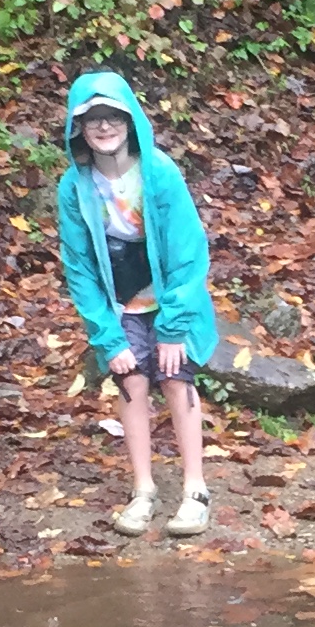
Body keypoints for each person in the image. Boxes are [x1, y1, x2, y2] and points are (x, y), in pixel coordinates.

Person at [54, 68, 219, 538]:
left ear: (131, 122)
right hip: (120, 302)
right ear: (78, 128)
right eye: (93, 119)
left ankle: (194, 490)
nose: (104, 127)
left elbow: (188, 253)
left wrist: (173, 327)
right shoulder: (74, 185)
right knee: (131, 380)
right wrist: (106, 336)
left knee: (175, 377)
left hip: (169, 299)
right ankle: (143, 489)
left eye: (114, 117)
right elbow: (80, 265)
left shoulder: (160, 173)